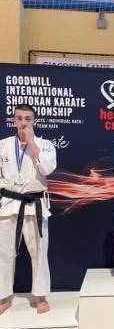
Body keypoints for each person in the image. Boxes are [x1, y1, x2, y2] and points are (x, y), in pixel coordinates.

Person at [0, 103, 56, 315]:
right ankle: (4, 296)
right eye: (19, 118)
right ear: (14, 120)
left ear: (35, 121)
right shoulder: (3, 145)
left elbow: (47, 169)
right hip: (8, 204)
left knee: (39, 252)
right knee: (4, 253)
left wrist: (31, 142)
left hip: (35, 204)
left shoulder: (46, 144)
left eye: (28, 118)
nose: (23, 122)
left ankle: (40, 296)